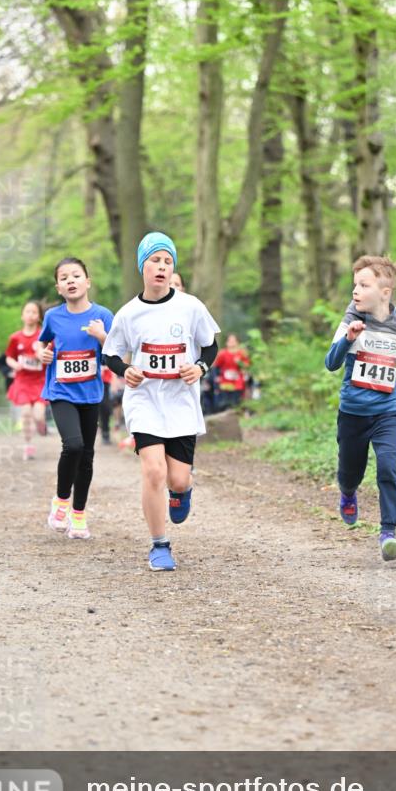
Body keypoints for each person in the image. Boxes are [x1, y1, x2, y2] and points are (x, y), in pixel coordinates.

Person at [103, 232, 220, 571]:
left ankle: (181, 491)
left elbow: (210, 346)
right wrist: (126, 370)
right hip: (144, 401)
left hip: (181, 402)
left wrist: (199, 367)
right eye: (155, 260)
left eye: (168, 262)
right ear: (143, 266)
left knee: (178, 478)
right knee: (153, 471)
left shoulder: (191, 306)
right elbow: (110, 354)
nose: (162, 267)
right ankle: (159, 545)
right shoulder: (128, 314)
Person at [324, 255, 396, 561]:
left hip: (386, 413)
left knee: (389, 467)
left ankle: (388, 533)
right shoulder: (351, 320)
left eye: (363, 285)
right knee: (350, 471)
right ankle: (348, 492)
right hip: (353, 413)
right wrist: (349, 338)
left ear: (385, 292)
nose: (355, 290)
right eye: (354, 284)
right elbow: (331, 363)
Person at [37, 257, 113, 539]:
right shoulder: (53, 316)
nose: (71, 280)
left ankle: (79, 516)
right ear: (58, 287)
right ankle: (60, 501)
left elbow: (116, 353)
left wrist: (102, 336)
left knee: (87, 456)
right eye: (64, 277)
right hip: (61, 391)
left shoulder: (103, 315)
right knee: (73, 445)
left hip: (91, 393)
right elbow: (43, 344)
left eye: (76, 275)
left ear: (87, 282)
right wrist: (41, 354)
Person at [5, 301, 47, 460]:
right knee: (26, 414)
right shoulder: (15, 337)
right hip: (22, 381)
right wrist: (15, 364)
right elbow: (9, 357)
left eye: (34, 312)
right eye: (28, 311)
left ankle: (42, 427)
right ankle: (28, 446)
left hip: (40, 381)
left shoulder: (43, 335)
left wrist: (40, 353)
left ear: (39, 316)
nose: (30, 315)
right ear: (22, 315)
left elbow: (50, 355)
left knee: (38, 415)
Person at [213, 333, 250, 410]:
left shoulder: (242, 353)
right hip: (225, 382)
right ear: (226, 343)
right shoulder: (222, 353)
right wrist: (217, 377)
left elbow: (247, 366)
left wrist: (240, 363)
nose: (231, 343)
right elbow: (216, 367)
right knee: (226, 402)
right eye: (230, 341)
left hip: (238, 382)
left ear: (238, 342)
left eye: (233, 341)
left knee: (237, 402)